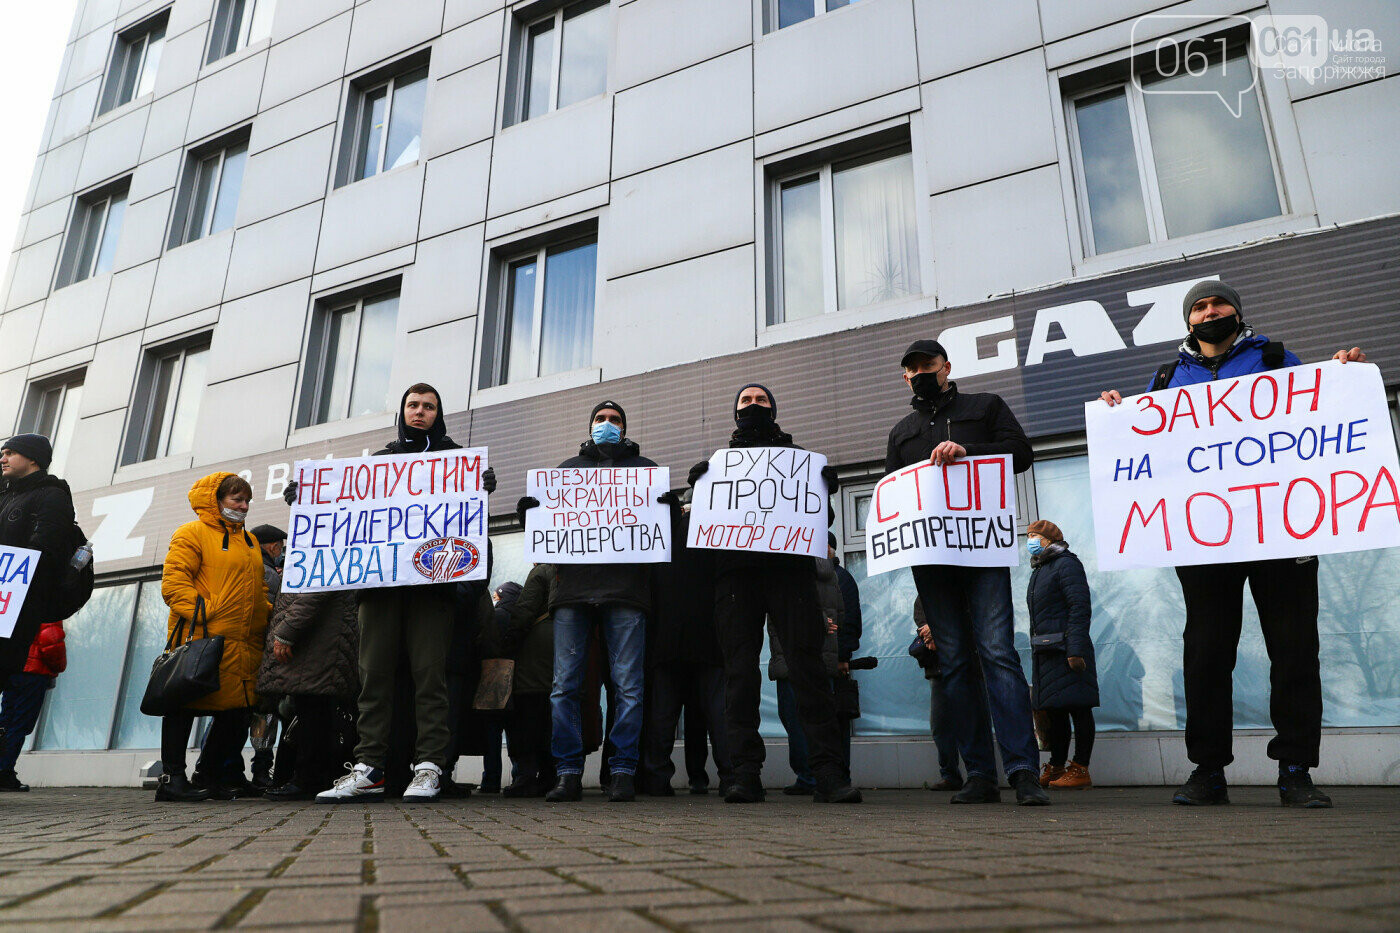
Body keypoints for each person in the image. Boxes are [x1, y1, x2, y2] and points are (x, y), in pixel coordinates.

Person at [1098, 279, 1364, 808]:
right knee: (1206, 654)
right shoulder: (1168, 378)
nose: (1210, 310)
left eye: (1219, 303)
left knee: (1294, 651)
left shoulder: (1274, 357)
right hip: (1205, 539)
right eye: (1199, 306)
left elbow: (1322, 412)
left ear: (1237, 312)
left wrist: (1344, 379)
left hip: (1281, 531)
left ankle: (1295, 770)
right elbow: (1152, 452)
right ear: (1188, 320)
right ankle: (1208, 771)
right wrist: (1117, 418)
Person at [304, 383, 496, 802]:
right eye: (413, 405)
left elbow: (473, 531)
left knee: (431, 678)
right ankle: (369, 767)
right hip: (381, 590)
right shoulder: (380, 463)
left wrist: (478, 494)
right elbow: (344, 514)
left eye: (428, 406)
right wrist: (310, 500)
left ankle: (430, 767)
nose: (420, 411)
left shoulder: (457, 461)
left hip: (433, 590)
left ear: (438, 414)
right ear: (403, 412)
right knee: (372, 677)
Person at [887, 340, 1048, 805]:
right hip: (933, 563)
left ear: (946, 367)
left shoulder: (985, 406)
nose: (920, 373)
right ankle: (979, 774)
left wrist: (969, 450)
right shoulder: (901, 431)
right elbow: (892, 492)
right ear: (905, 377)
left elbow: (1021, 452)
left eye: (927, 365)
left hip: (982, 555)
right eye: (911, 368)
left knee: (998, 654)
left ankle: (1023, 773)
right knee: (955, 665)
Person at [688, 383, 860, 804]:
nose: (753, 405)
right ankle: (745, 773)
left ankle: (826, 773)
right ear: (736, 413)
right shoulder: (718, 466)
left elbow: (820, 521)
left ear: (773, 409)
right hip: (735, 578)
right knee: (739, 675)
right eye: (746, 401)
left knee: (809, 670)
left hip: (790, 576)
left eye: (760, 400)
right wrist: (700, 489)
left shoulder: (800, 462)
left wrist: (825, 490)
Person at [517, 400, 661, 803]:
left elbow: (659, 534)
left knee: (628, 687)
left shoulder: (645, 470)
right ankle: (567, 773)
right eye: (600, 419)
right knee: (564, 687)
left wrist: (666, 514)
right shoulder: (567, 471)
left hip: (625, 590)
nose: (607, 425)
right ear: (590, 425)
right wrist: (532, 516)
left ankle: (622, 771)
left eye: (615, 420)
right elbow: (550, 529)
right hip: (573, 590)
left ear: (625, 428)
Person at [157, 472, 271, 802]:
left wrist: (264, 616)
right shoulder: (191, 533)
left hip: (243, 642)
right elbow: (174, 583)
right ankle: (172, 778)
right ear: (215, 500)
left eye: (247, 500)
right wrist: (208, 613)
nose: (244, 506)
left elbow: (258, 588)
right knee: (183, 706)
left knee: (236, 711)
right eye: (237, 500)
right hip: (202, 639)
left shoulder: (249, 541)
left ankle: (214, 775)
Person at [640, 490, 731, 796]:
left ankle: (656, 778)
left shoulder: (658, 542)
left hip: (666, 642)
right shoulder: (714, 538)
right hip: (709, 639)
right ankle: (730, 775)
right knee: (717, 712)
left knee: (663, 714)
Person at [256, 589, 359, 800]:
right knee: (313, 710)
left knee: (312, 710)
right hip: (321, 637)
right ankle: (310, 778)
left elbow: (315, 589)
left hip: (318, 640)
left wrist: (287, 630)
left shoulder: (320, 555)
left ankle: (307, 780)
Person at [1025, 520, 1097, 790]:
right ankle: (1056, 766)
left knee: (1079, 707)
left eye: (1034, 535)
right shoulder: (1041, 568)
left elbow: (1079, 606)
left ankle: (1080, 768)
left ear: (1049, 539)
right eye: (1029, 534)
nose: (1029, 539)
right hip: (1047, 650)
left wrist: (1075, 649)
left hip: (1067, 649)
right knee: (1054, 709)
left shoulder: (1066, 563)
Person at [0, 435, 76, 681]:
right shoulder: (5, 497)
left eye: (10, 453)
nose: (3, 459)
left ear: (33, 458)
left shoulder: (53, 497)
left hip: (15, 611)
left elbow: (46, 552)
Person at [910, 598, 990, 792]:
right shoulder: (926, 588)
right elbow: (920, 615)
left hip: (967, 664)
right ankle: (950, 775)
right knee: (940, 725)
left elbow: (973, 618)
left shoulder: (967, 586)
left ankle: (980, 775)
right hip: (939, 667)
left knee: (971, 720)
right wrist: (929, 631)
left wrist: (938, 631)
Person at [494, 567, 557, 797]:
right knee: (551, 718)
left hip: (535, 654)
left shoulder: (541, 571)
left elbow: (524, 610)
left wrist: (508, 643)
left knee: (527, 719)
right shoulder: (571, 567)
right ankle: (552, 775)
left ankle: (526, 777)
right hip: (561, 648)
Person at [0, 620, 65, 791]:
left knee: (5, 722)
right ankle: (4, 772)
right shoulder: (49, 606)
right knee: (20, 725)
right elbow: (51, 640)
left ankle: (2, 768)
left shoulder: (17, 602)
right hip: (33, 674)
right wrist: (59, 667)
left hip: (11, 671)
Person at [247, 523, 286, 789]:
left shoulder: (248, 563)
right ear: (272, 547)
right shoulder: (271, 573)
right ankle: (262, 769)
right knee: (265, 713)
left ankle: (208, 767)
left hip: (248, 652)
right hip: (266, 654)